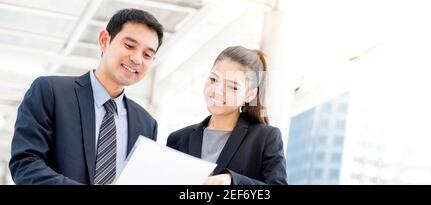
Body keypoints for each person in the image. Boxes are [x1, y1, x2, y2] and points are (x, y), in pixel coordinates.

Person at [9, 8, 164, 185]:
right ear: (105, 41)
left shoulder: (147, 124)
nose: (137, 59)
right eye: (129, 46)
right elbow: (26, 164)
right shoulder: (51, 92)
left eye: (147, 54)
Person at [167, 46, 287, 185]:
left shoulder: (265, 138)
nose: (217, 91)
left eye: (232, 87)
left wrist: (232, 181)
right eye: (213, 79)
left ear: (250, 95)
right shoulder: (178, 139)